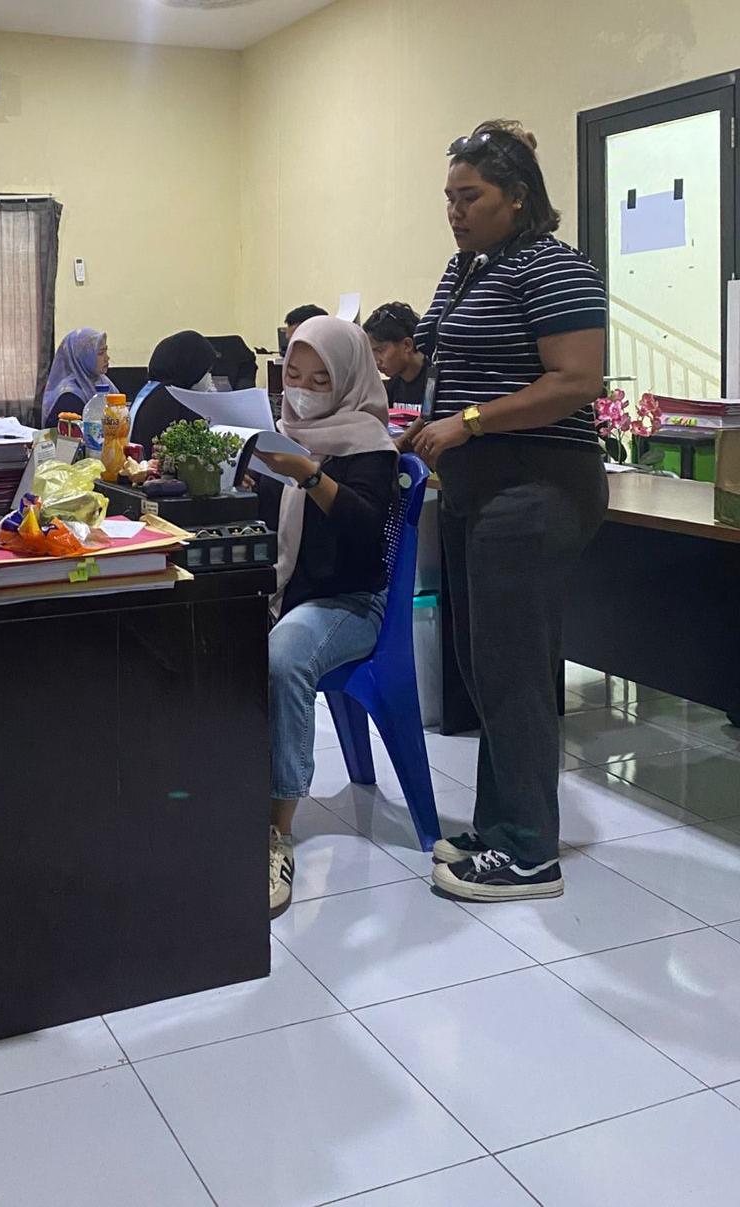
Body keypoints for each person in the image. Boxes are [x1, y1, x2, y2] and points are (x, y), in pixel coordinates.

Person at [402, 121, 608, 902]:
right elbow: (426, 352)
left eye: (470, 196)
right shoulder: (467, 269)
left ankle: (529, 852)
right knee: (482, 664)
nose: (454, 212)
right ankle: (499, 826)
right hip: (476, 489)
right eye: (448, 198)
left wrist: (470, 420)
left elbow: (576, 380)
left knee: (516, 670)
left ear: (517, 197)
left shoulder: (555, 267)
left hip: (535, 487)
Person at [254, 316, 399, 917]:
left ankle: (276, 831)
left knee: (282, 658)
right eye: (293, 374)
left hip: (347, 602)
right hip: (286, 593)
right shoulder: (283, 432)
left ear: (348, 379)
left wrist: (311, 475)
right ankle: (216, 799)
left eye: (321, 380)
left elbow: (369, 536)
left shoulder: (369, 442)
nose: (304, 389)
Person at [129, 330, 218, 457]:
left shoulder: (151, 390)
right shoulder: (175, 398)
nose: (209, 377)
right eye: (207, 371)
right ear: (192, 369)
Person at [41, 328, 114, 425]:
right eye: (100, 353)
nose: (107, 358)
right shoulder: (68, 398)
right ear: (83, 357)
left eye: (106, 351)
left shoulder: (103, 382)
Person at [363, 302, 429, 409]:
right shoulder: (392, 386)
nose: (376, 361)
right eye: (371, 353)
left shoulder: (437, 380)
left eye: (380, 350)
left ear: (407, 345)